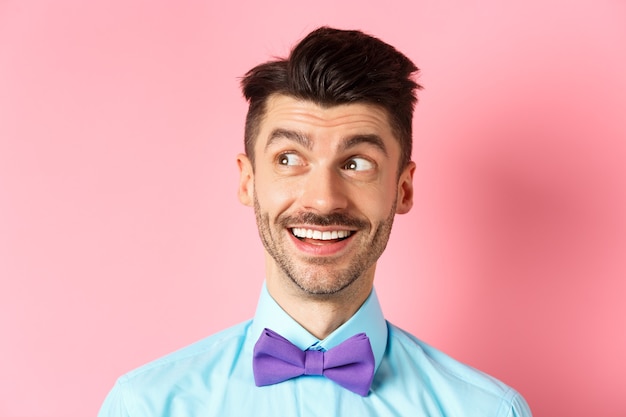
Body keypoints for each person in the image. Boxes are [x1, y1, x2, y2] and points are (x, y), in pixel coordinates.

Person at [98, 26, 532, 416]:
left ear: (403, 189)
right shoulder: (147, 405)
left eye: (357, 163)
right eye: (289, 159)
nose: (324, 199)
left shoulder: (488, 410)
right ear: (249, 181)